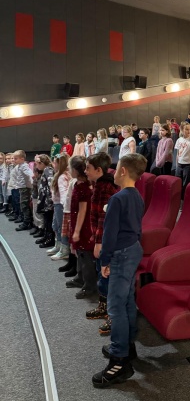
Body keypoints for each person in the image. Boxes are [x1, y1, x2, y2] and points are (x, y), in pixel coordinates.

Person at [92, 153, 147, 388]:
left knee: (115, 307)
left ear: (123, 171)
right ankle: (127, 344)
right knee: (126, 302)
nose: (113, 173)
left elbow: (109, 234)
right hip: (133, 249)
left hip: (120, 254)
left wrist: (105, 260)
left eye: (116, 170)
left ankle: (119, 360)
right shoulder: (137, 196)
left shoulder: (117, 199)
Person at [85, 152, 119, 332]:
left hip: (106, 241)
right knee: (101, 274)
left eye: (88, 168)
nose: (85, 171)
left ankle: (113, 315)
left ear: (99, 170)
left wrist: (99, 242)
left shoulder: (106, 187)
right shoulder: (99, 184)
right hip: (101, 238)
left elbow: (103, 218)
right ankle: (103, 306)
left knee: (107, 276)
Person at [67, 155, 96, 299]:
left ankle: (89, 286)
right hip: (77, 222)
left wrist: (77, 231)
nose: (68, 170)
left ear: (75, 170)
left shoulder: (84, 187)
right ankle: (80, 277)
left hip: (83, 226)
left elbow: (83, 210)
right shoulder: (78, 184)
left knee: (85, 255)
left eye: (70, 168)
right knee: (79, 252)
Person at [48, 153, 71, 259]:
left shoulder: (62, 176)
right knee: (56, 226)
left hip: (61, 206)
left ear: (59, 164)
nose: (53, 164)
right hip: (57, 204)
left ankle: (64, 249)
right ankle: (58, 245)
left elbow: (63, 192)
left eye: (55, 162)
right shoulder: (60, 175)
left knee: (62, 227)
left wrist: (64, 206)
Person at [175, 123, 190, 196]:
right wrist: (176, 165)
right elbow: (177, 154)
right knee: (178, 183)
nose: (189, 131)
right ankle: (178, 198)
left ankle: (184, 199)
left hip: (188, 165)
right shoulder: (179, 140)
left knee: (186, 184)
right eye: (186, 129)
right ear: (182, 130)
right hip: (180, 164)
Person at [12, 150, 33, 231]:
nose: (14, 160)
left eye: (16, 158)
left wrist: (32, 179)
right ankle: (26, 220)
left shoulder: (24, 166)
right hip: (21, 188)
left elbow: (29, 173)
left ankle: (27, 222)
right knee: (23, 205)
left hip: (25, 188)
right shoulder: (19, 166)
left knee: (24, 205)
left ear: (22, 159)